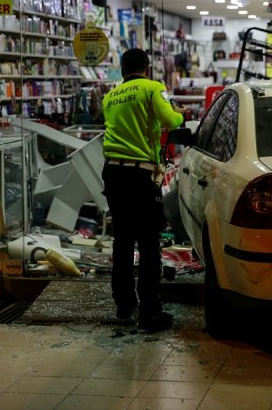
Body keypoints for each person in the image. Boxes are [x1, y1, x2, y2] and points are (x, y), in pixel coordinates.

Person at [102, 48, 187, 333]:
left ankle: (124, 306)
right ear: (147, 69)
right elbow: (169, 120)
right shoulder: (153, 88)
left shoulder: (110, 96)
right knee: (149, 242)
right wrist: (179, 114)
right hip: (140, 174)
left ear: (122, 69)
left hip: (112, 173)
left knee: (123, 240)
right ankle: (150, 312)